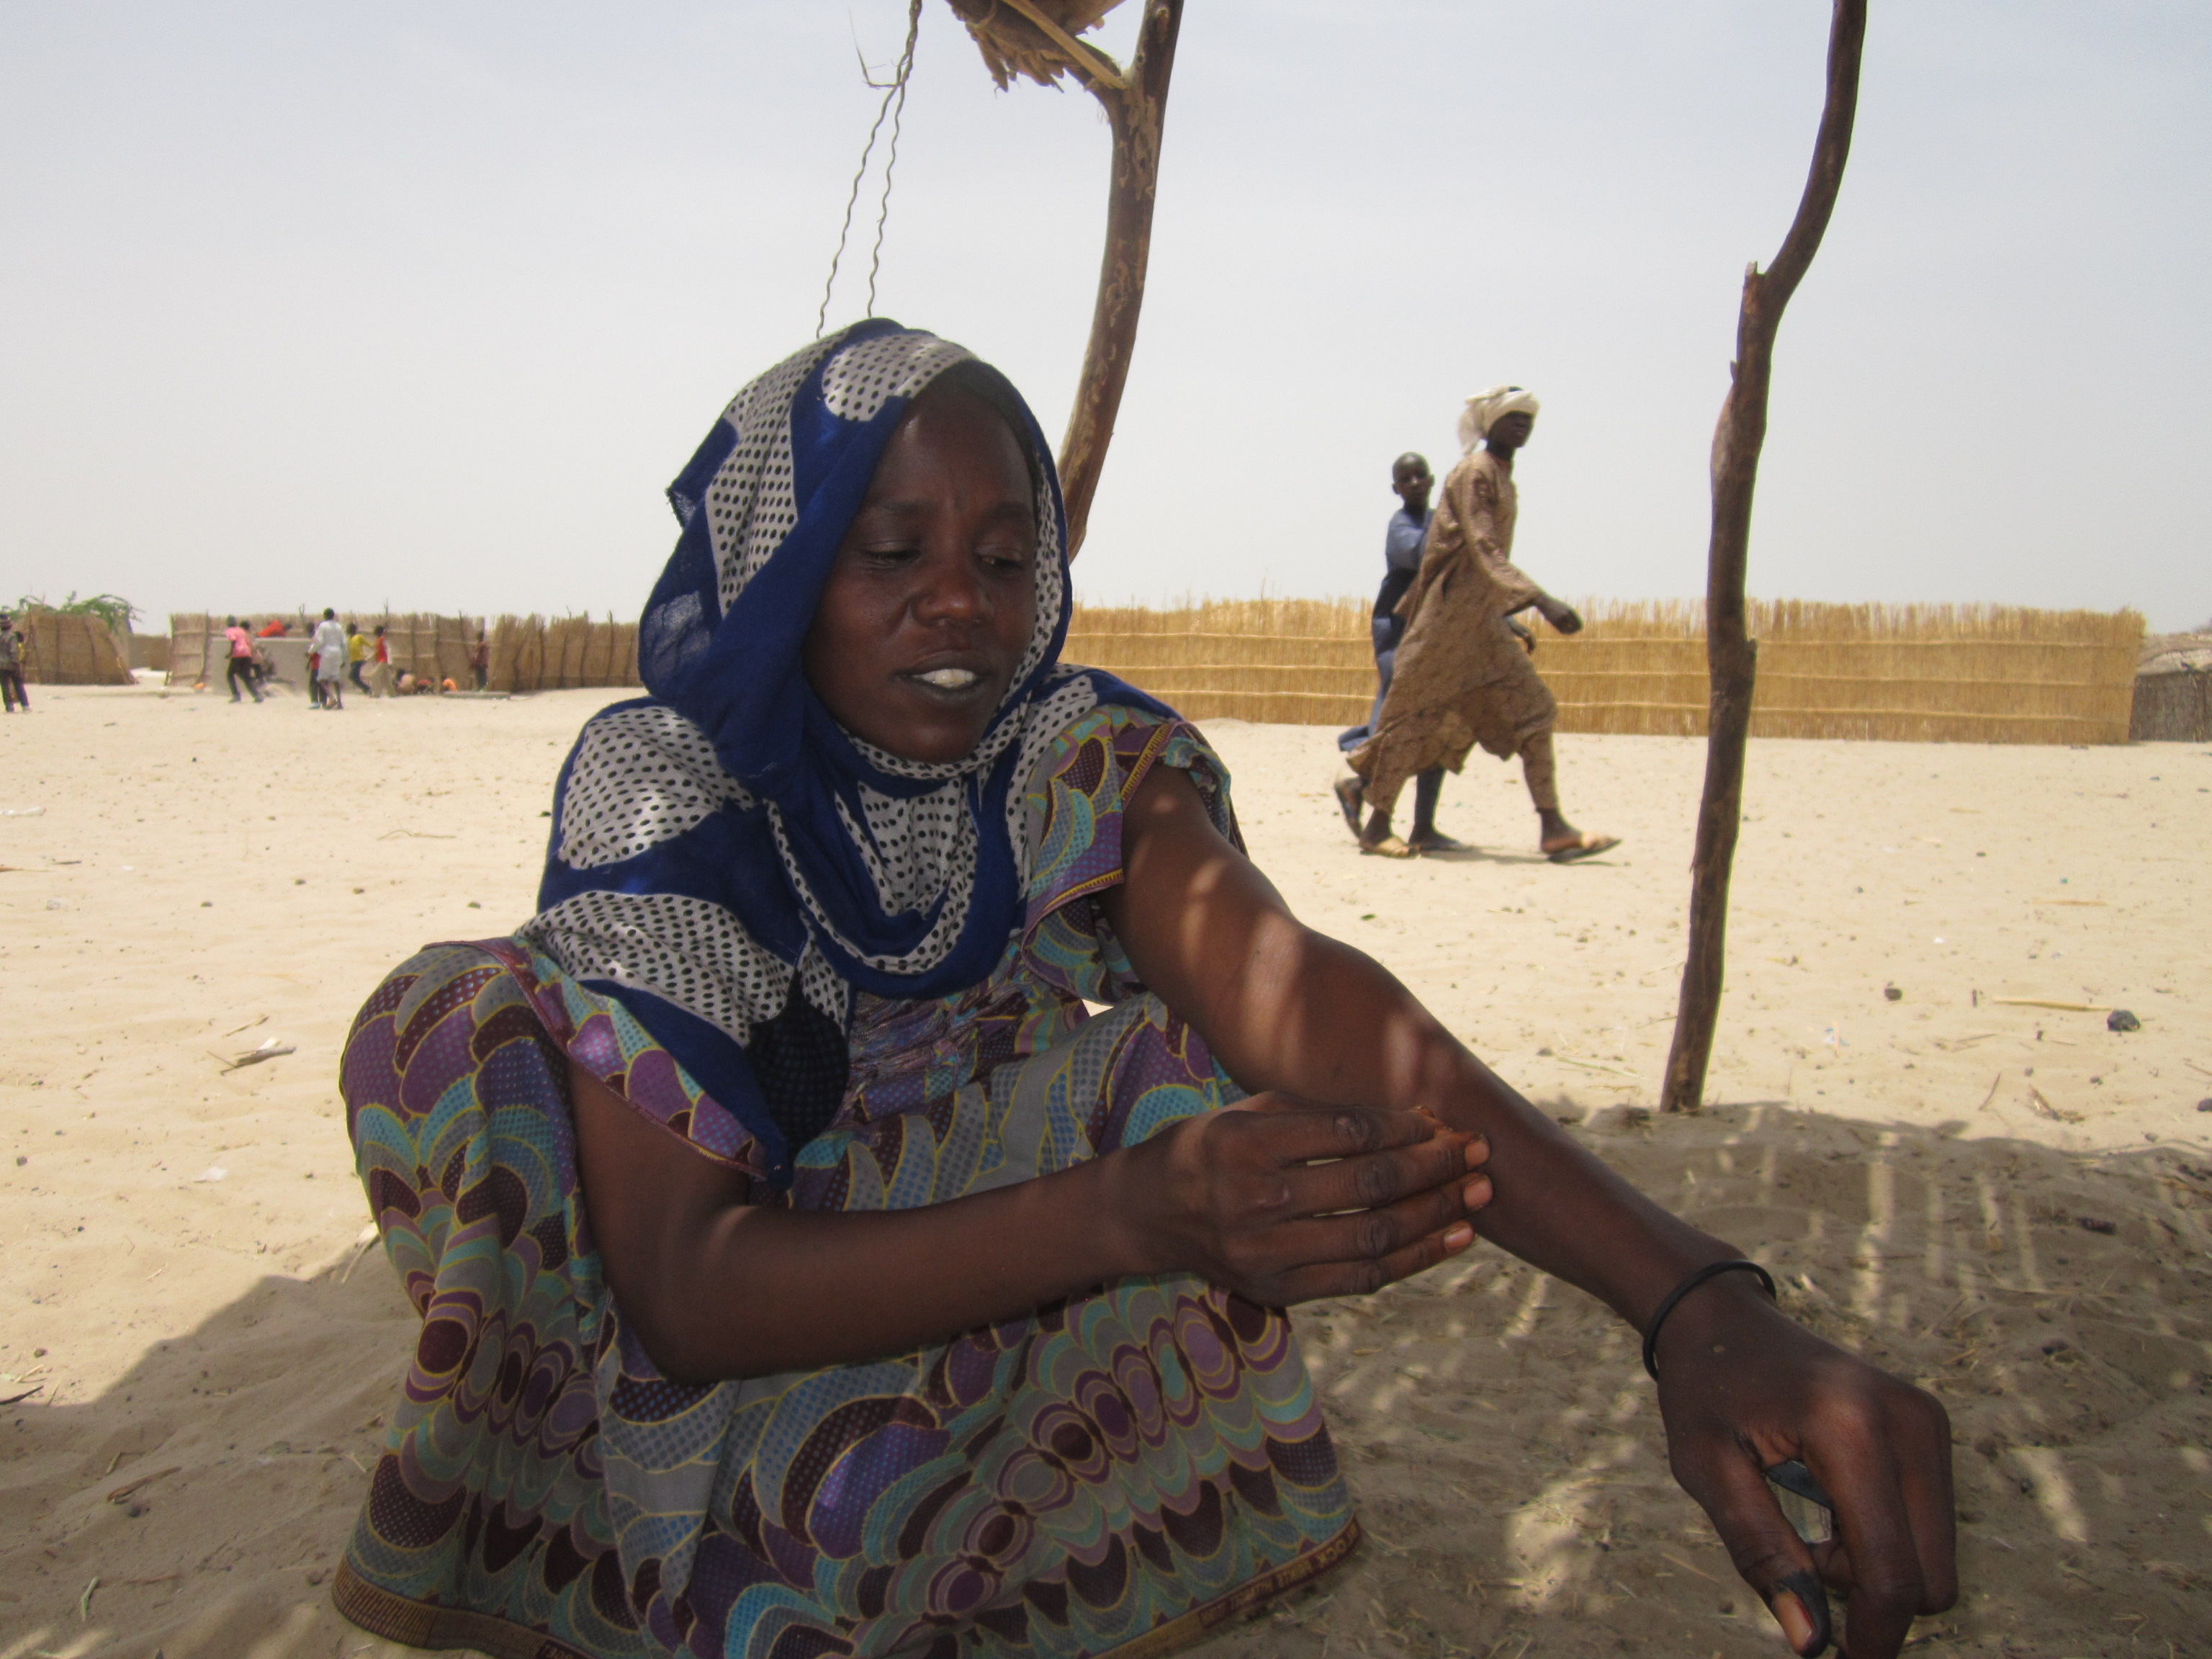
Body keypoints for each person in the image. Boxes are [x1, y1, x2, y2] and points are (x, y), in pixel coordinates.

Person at [333, 325, 1954, 1659]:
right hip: (690, 1307)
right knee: (487, 1038)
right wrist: (1138, 1215)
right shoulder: (663, 783)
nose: (957, 599)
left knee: (1179, 1079)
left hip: (958, 1238)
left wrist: (1689, 1307)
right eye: (887, 552)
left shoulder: (1072, 754)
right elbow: (688, 1284)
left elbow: (1293, 991)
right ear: (783, 570)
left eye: (1000, 554)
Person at [1344, 387, 1620, 862]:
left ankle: (1553, 827)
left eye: (1528, 418)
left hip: (1480, 628)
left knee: (1534, 712)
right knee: (1414, 722)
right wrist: (1540, 601)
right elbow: (1482, 548)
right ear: (1487, 423)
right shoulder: (1473, 474)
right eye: (1512, 417)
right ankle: (1376, 825)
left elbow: (1479, 567)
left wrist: (1504, 617)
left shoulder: (1502, 478)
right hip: (1443, 630)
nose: (1522, 424)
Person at [1334, 453, 1463, 853]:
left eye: (1419, 475)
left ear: (1431, 479)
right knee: (1401, 726)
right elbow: (1426, 555)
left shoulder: (1437, 522)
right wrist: (1457, 523)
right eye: (1404, 479)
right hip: (1399, 640)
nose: (1413, 483)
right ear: (1396, 489)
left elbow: (1461, 583)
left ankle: (1424, 825)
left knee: (1438, 725)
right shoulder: (1403, 527)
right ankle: (1359, 785)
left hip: (1433, 640)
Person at [312, 608, 348, 710]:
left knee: (322, 679)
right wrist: (344, 657)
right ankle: (340, 702)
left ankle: (332, 698)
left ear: (324, 616)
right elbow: (344, 643)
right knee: (335, 678)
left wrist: (311, 651)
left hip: (327, 653)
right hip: (338, 653)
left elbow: (319, 641)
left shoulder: (323, 626)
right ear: (333, 616)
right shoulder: (339, 627)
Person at [222, 616, 263, 704]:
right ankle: (257, 695)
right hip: (247, 654)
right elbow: (248, 642)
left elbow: (233, 640)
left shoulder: (229, 631)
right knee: (245, 676)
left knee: (230, 674)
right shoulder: (241, 631)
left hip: (237, 654)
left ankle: (236, 695)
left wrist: (230, 653)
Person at [0, 613, 28, 713]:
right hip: (11, 664)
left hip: (1, 665)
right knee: (18, 684)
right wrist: (16, 664)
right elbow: (13, 651)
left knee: (5, 686)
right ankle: (25, 705)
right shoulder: (12, 637)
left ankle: (9, 707)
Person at [368, 624, 393, 696]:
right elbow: (377, 651)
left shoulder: (382, 639)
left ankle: (376, 694)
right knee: (387, 678)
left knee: (374, 676)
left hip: (383, 661)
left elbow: (387, 650)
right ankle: (392, 694)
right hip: (382, 660)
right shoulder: (379, 640)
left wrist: (389, 660)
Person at [346, 621, 370, 693]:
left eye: (349, 629)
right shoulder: (349, 638)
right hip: (352, 660)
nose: (347, 630)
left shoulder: (359, 637)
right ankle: (366, 689)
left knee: (352, 676)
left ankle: (367, 688)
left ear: (353, 629)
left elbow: (368, 644)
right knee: (355, 677)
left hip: (359, 659)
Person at [469, 626, 490, 691]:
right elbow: (476, 655)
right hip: (480, 663)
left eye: (478, 636)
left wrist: (479, 663)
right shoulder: (480, 645)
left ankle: (482, 688)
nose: (477, 637)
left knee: (482, 676)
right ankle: (480, 688)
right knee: (479, 676)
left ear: (481, 637)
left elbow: (481, 655)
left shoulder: (482, 645)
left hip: (481, 663)